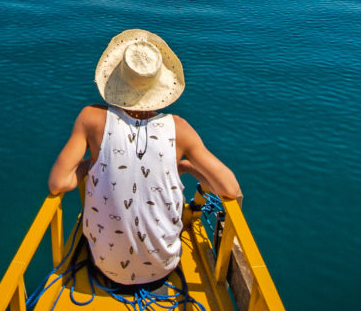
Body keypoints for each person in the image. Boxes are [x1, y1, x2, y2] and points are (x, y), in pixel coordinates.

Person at [47, 29, 241, 288]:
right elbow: (230, 188)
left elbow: (59, 183)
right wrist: (186, 167)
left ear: (116, 78)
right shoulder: (179, 129)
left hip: (104, 266)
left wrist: (90, 164)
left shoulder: (91, 119)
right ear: (159, 85)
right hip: (163, 268)